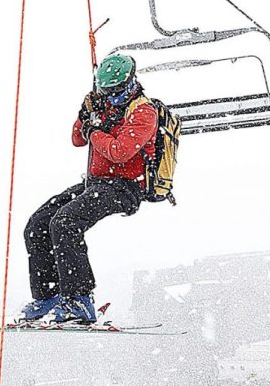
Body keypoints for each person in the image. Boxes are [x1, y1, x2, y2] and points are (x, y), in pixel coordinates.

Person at [20, 52, 178, 328]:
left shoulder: (143, 112)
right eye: (107, 91)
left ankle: (79, 298)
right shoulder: (102, 106)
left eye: (117, 92)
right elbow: (76, 140)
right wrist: (85, 116)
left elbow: (119, 152)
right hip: (95, 182)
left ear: (130, 85)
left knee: (66, 222)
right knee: (38, 224)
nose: (112, 97)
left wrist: (95, 130)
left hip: (125, 188)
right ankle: (49, 295)